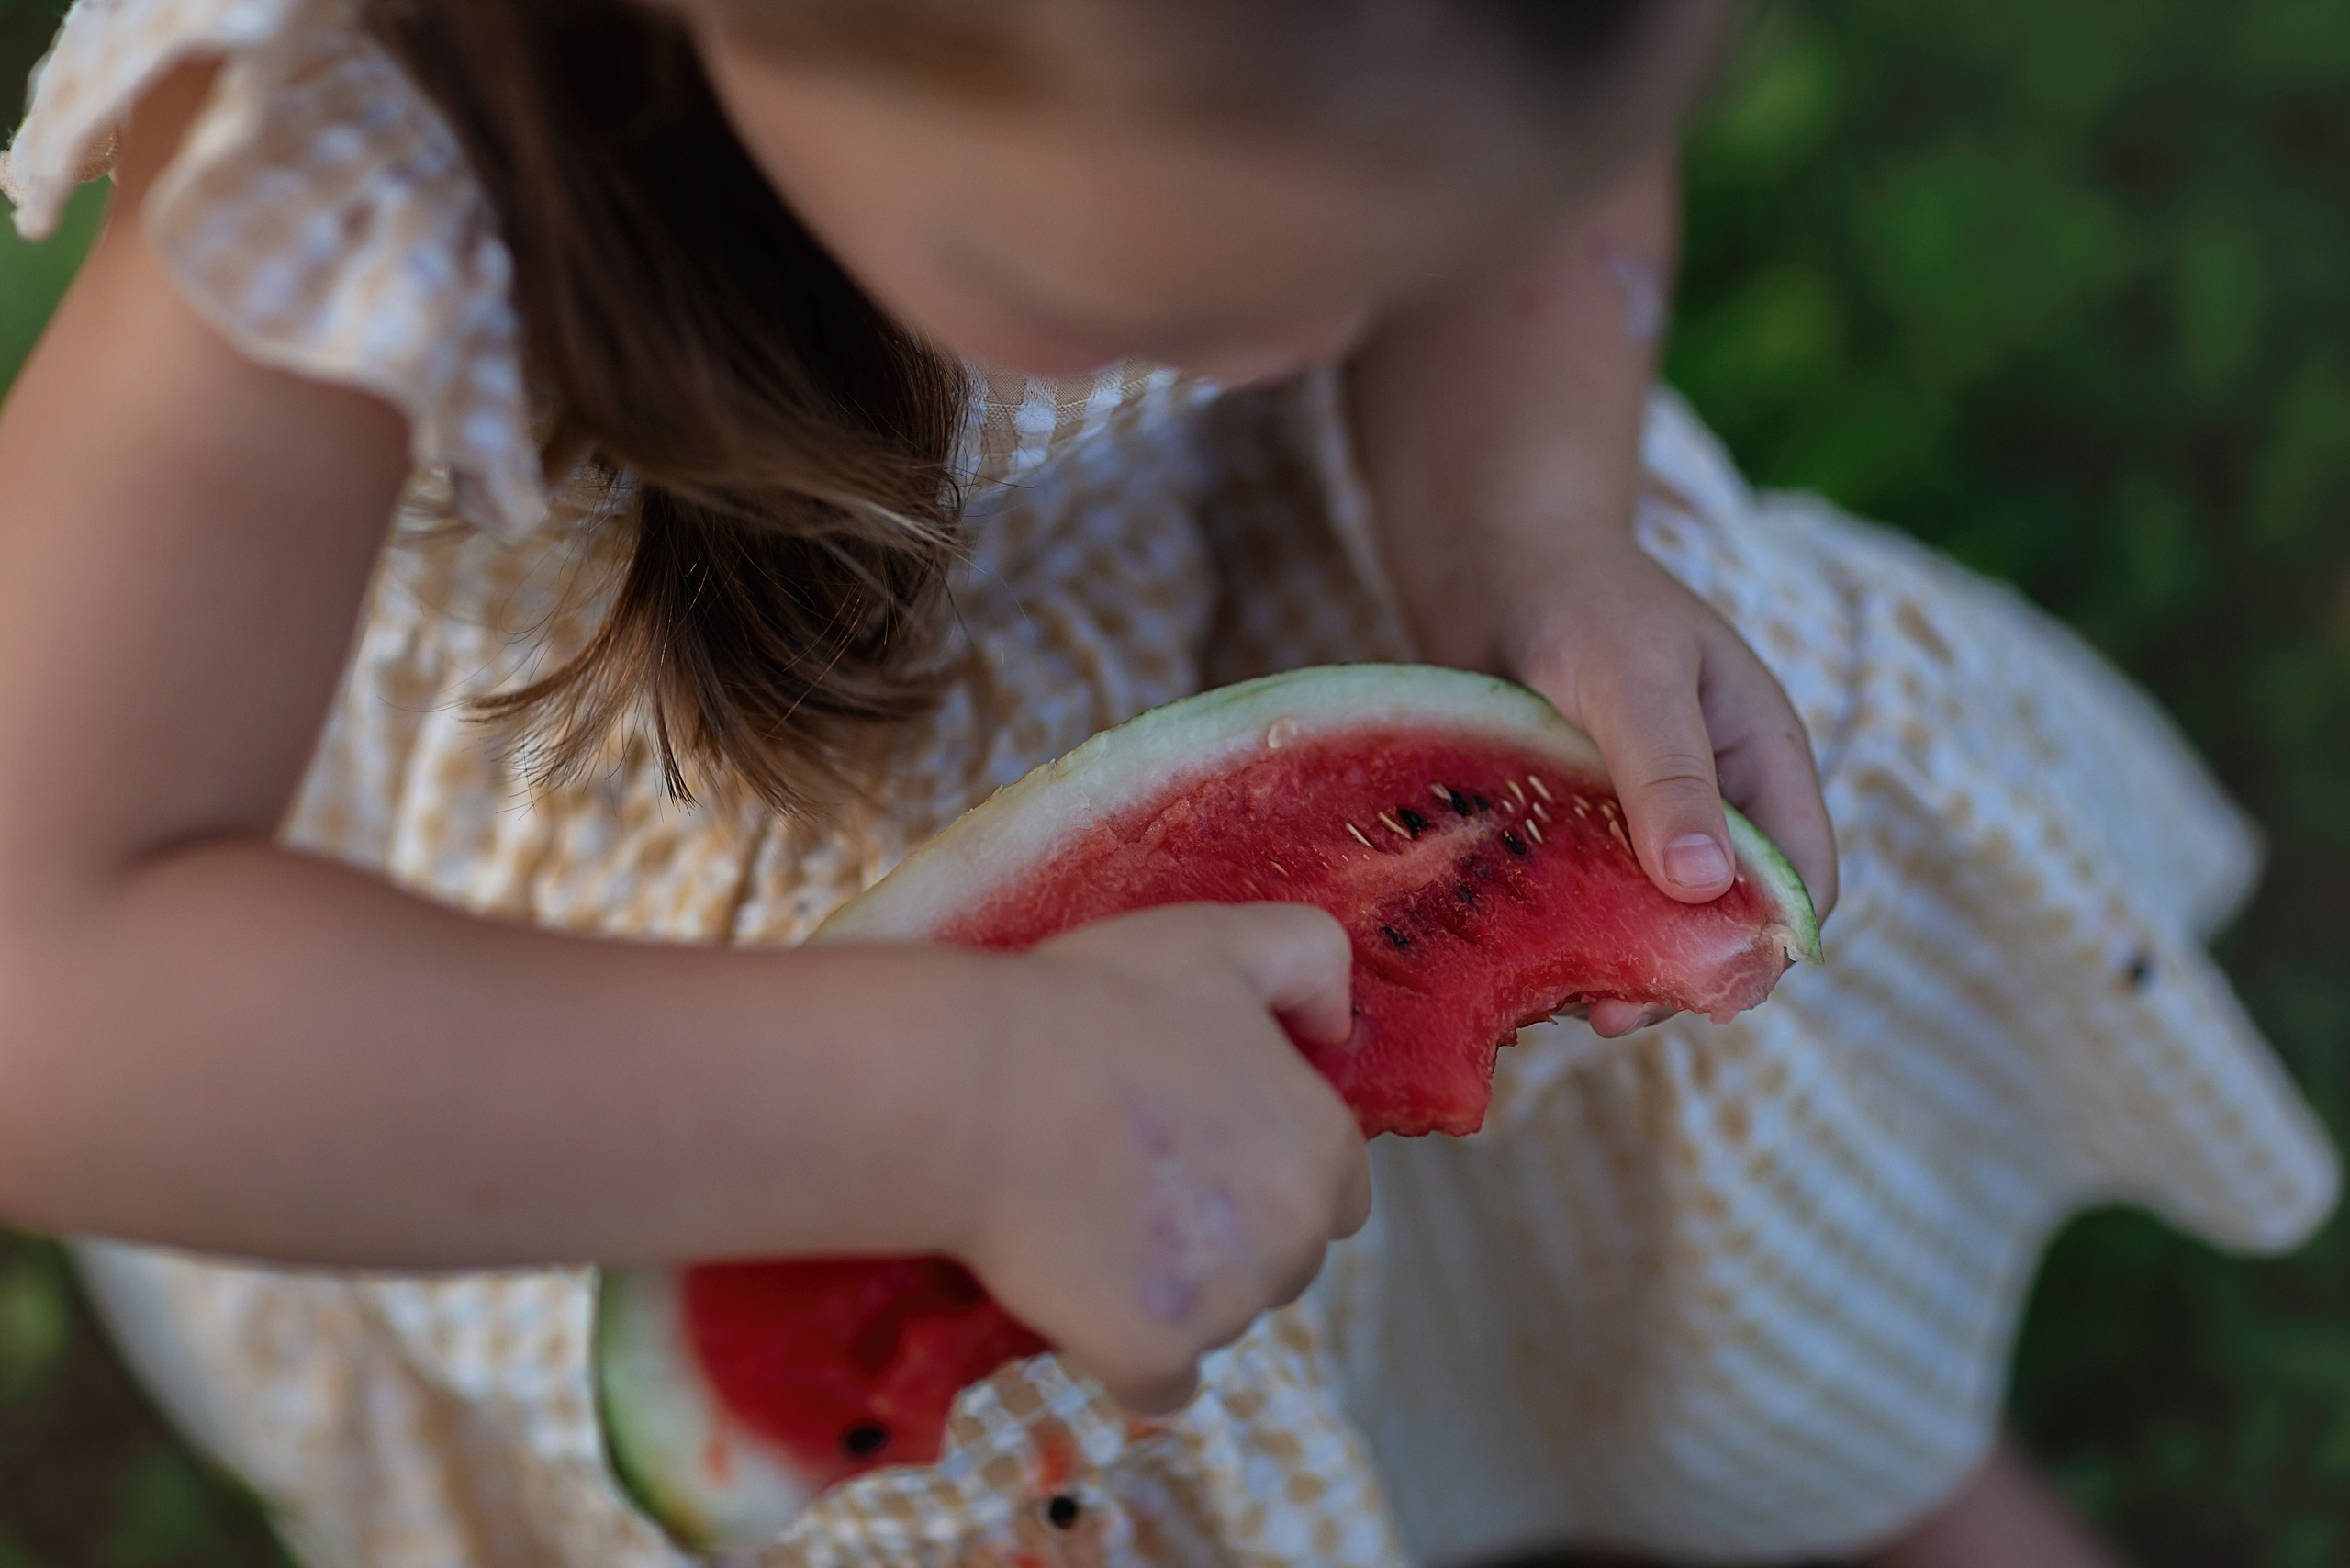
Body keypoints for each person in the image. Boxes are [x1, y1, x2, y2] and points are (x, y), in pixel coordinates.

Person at [0, 0, 2328, 1564]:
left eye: (1373, 262)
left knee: (1715, 786)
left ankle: (1809, 1437)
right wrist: (940, 1093)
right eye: (1137, 298)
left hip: (1284, 582)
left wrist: (1523, 511)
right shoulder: (351, 175)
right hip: (654, 997)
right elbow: (44, 981)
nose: (1303, 350)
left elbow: (1509, 192)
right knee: (1044, 1432)